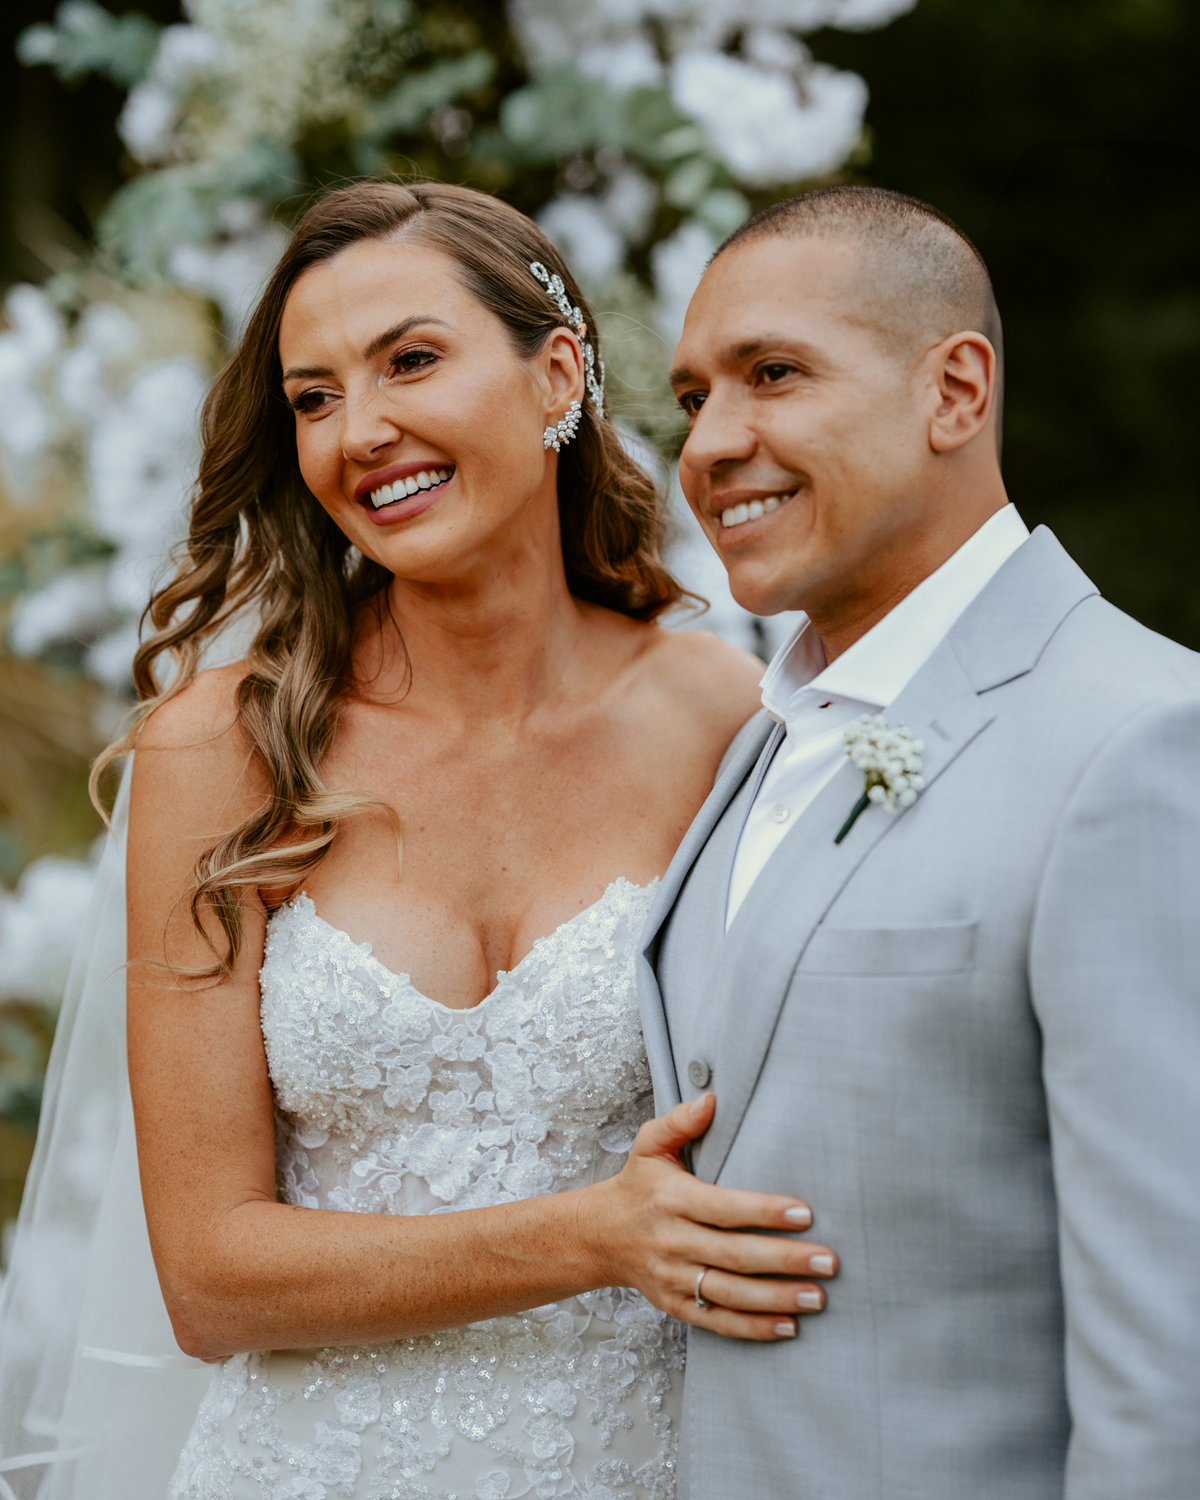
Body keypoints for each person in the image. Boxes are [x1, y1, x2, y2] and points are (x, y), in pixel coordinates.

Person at [0, 182, 838, 1500]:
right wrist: (598, 1236)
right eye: (315, 397)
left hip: (641, 1463)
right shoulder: (229, 748)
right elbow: (211, 1281)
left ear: (555, 371)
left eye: (411, 361)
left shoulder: (727, 718)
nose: (361, 431)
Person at [639, 185, 1200, 1499]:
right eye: (692, 398)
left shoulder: (1143, 742)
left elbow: (1175, 1346)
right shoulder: (761, 739)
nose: (714, 442)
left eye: (773, 373)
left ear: (954, 391)